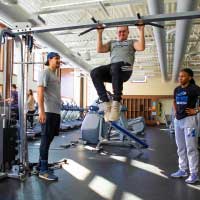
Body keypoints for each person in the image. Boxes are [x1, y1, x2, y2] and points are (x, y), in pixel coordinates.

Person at [90, 24, 145, 122]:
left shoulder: (131, 42)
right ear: (117, 33)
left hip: (125, 69)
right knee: (95, 72)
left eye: (124, 31)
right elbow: (100, 49)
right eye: (119, 31)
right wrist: (99, 33)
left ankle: (116, 102)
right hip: (114, 70)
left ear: (128, 32)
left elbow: (141, 47)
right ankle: (106, 103)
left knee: (116, 66)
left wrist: (141, 30)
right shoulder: (112, 43)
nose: (122, 33)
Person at [171, 68, 200, 184]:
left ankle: (194, 174)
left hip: (189, 121)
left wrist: (196, 110)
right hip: (178, 121)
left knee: (191, 147)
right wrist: (176, 111)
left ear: (190, 77)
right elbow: (174, 101)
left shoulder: (195, 89)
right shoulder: (177, 89)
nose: (180, 78)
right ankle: (183, 170)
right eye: (180, 76)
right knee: (180, 147)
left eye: (183, 76)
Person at [37, 52, 61, 181]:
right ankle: (43, 170)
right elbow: (39, 93)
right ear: (49, 60)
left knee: (50, 138)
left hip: (55, 111)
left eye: (59, 59)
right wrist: (41, 111)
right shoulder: (45, 72)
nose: (58, 61)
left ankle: (41, 164)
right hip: (48, 111)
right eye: (56, 59)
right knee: (45, 139)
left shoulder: (55, 75)